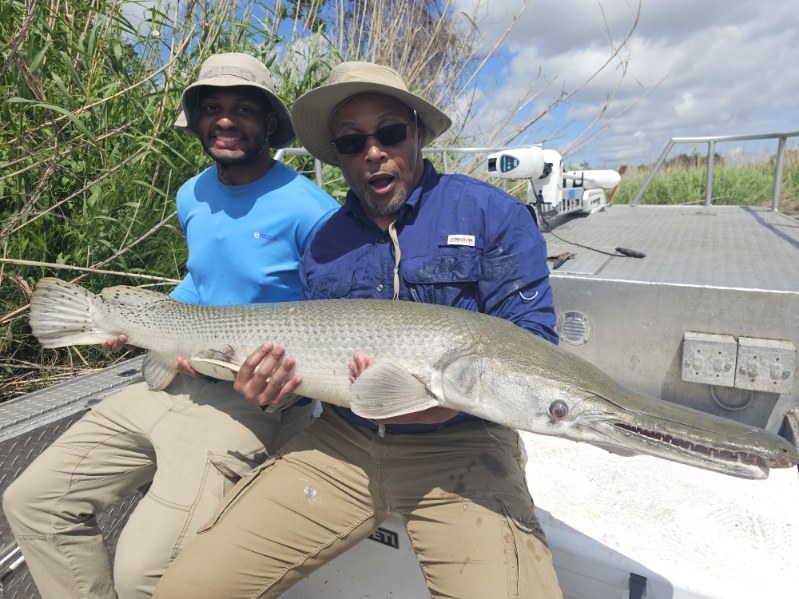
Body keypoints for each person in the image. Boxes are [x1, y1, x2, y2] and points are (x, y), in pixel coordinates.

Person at [154, 61, 563, 599]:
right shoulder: (322, 243)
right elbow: (303, 357)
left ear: (417, 132)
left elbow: (531, 344)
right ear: (339, 155)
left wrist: (443, 404)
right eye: (352, 142)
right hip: (342, 440)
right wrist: (267, 393)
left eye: (390, 133)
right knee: (185, 590)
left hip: (465, 446)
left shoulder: (493, 214)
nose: (373, 152)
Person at [2, 52, 339, 599]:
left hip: (246, 402)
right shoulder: (193, 193)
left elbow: (331, 318)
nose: (225, 120)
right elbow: (200, 284)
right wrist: (138, 322)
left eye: (243, 109)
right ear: (198, 118)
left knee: (142, 577)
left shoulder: (310, 210)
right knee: (32, 502)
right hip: (169, 379)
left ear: (270, 123)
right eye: (212, 107)